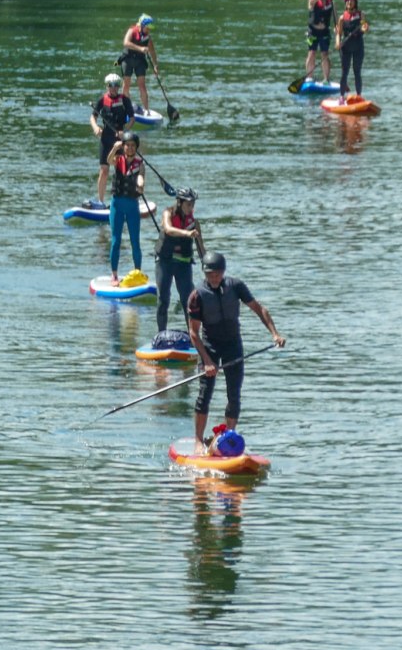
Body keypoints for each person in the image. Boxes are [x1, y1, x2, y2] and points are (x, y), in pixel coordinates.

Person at [186, 251, 284, 453]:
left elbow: (259, 309)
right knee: (205, 393)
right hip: (209, 346)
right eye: (210, 274)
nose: (214, 278)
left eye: (218, 273)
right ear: (204, 273)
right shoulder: (196, 296)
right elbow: (193, 333)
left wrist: (275, 334)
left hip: (233, 344)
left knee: (234, 394)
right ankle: (197, 440)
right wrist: (207, 361)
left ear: (223, 272)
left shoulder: (236, 286)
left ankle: (229, 438)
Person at [154, 187, 204, 333]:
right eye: (188, 204)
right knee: (163, 299)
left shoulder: (194, 223)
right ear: (180, 202)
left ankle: (193, 336)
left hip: (183, 263)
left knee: (188, 301)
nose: (191, 208)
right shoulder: (167, 213)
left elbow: (201, 247)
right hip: (165, 261)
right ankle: (161, 334)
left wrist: (206, 263)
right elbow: (168, 229)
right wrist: (187, 233)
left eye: (193, 205)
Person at [88, 72, 135, 206]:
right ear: (107, 86)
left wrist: (124, 130)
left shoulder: (125, 100)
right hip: (106, 138)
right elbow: (93, 117)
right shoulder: (102, 100)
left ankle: (124, 198)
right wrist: (95, 127)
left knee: (121, 170)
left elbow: (132, 119)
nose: (113, 88)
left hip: (120, 140)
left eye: (116, 85)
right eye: (110, 85)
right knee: (104, 169)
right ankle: (101, 201)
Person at [106, 132, 147, 283]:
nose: (130, 148)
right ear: (123, 147)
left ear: (136, 148)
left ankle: (138, 272)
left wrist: (140, 185)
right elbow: (108, 160)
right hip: (117, 204)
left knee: (135, 241)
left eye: (132, 146)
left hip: (132, 206)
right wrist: (114, 148)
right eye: (127, 145)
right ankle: (114, 274)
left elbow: (141, 177)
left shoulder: (140, 164)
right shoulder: (118, 159)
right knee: (116, 240)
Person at [119, 14, 158, 112]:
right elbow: (126, 43)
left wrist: (155, 65)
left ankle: (146, 110)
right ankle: (125, 107)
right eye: (148, 28)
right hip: (127, 59)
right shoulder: (132, 31)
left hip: (140, 61)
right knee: (126, 84)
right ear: (142, 25)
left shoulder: (147, 37)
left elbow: (152, 51)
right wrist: (140, 48)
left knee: (142, 85)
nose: (149, 30)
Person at [335, 0, 370, 99]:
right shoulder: (342, 18)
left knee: (357, 71)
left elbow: (364, 26)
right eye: (347, 1)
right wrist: (337, 43)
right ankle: (341, 97)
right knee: (344, 72)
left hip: (358, 46)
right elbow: (339, 33)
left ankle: (359, 96)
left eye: (352, 1)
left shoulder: (361, 14)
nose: (349, 3)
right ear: (345, 3)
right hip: (346, 47)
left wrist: (364, 28)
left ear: (355, 2)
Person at [305, 0, 335, 85]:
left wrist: (337, 28)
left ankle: (326, 79)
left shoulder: (331, 2)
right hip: (313, 31)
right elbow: (312, 2)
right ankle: (309, 77)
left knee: (324, 54)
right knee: (312, 53)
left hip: (325, 32)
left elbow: (334, 15)